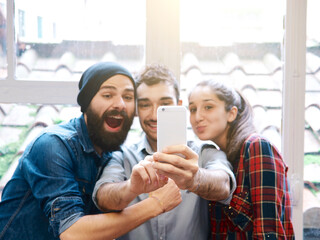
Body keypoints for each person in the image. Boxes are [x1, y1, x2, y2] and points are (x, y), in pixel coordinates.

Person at [0, 62, 182, 240]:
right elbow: (72, 232)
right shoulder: (53, 145)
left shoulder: (112, 155)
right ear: (87, 103)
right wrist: (155, 204)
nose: (120, 104)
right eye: (108, 95)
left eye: (128, 97)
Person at [93, 64, 237, 240]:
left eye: (165, 104)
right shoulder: (122, 155)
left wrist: (195, 179)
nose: (154, 115)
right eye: (145, 105)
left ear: (179, 105)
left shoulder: (204, 151)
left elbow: (224, 185)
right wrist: (132, 187)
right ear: (137, 109)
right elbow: (103, 198)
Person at [188, 79, 295, 239]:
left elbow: (269, 233)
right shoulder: (217, 160)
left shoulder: (257, 147)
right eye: (192, 109)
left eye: (208, 107)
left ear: (231, 113)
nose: (197, 117)